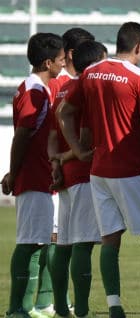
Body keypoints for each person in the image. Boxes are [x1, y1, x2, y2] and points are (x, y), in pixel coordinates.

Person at [57, 22, 140, 318]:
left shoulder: (90, 73)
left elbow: (64, 112)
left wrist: (76, 149)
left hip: (99, 172)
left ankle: (114, 306)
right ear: (139, 46)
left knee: (110, 241)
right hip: (130, 170)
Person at [1, 32, 65, 318]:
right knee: (29, 243)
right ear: (48, 61)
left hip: (41, 176)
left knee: (40, 242)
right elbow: (23, 135)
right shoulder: (35, 91)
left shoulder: (37, 89)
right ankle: (16, 308)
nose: (64, 65)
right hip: (33, 177)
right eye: (61, 60)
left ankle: (27, 306)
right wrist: (14, 174)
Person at [48, 40, 107, 318]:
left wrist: (57, 162)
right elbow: (85, 141)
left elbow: (51, 136)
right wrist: (68, 158)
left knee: (65, 244)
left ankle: (61, 306)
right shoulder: (87, 89)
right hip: (83, 174)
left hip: (66, 176)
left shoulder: (63, 90)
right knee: (83, 243)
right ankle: (82, 310)